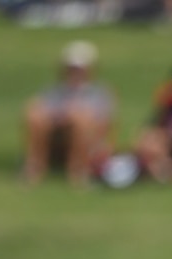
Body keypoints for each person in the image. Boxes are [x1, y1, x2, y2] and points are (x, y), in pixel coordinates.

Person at [22, 40, 116, 187]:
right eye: (71, 68)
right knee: (34, 113)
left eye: (79, 69)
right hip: (58, 136)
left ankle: (79, 171)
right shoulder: (55, 92)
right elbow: (43, 110)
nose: (75, 73)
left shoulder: (99, 93)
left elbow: (104, 125)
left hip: (90, 142)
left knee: (81, 119)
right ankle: (34, 167)